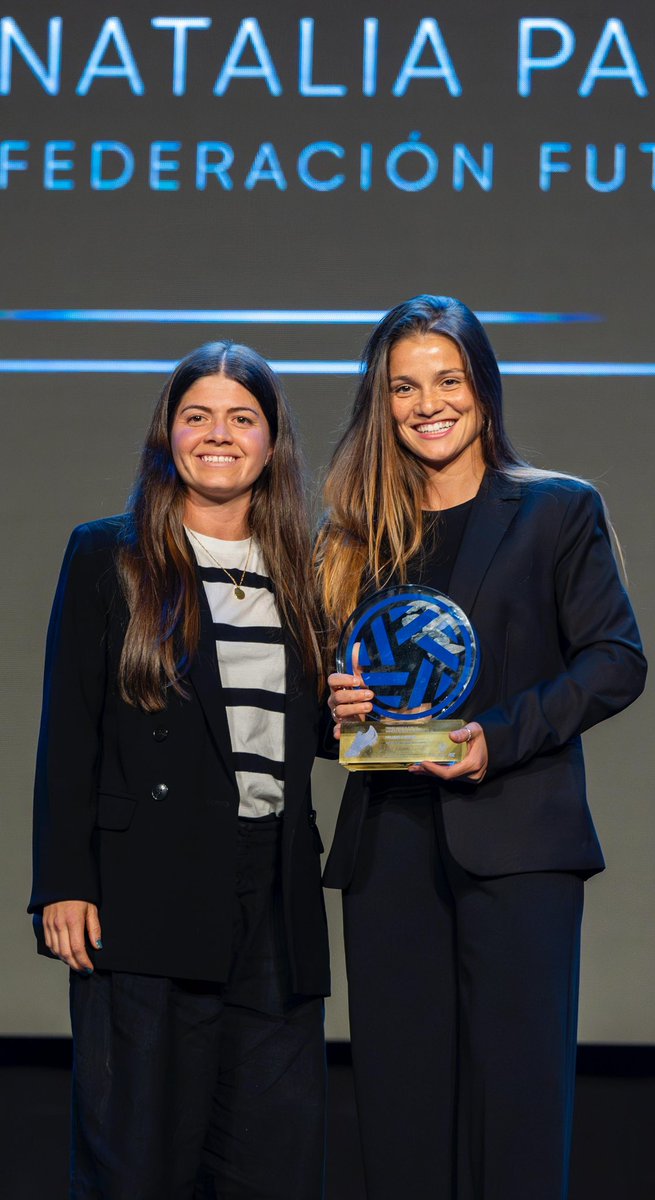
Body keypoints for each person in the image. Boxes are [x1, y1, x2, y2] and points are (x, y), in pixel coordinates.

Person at [315, 295, 647, 1200]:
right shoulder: (355, 536)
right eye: (403, 386)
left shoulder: (555, 510)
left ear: (483, 389)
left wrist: (491, 742)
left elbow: (615, 661)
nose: (427, 403)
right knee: (398, 1102)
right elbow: (332, 710)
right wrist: (333, 705)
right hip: (389, 847)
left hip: (518, 845)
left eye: (446, 380)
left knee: (517, 1101)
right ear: (379, 404)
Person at [29, 341, 330, 1200]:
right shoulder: (109, 556)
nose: (219, 435)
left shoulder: (306, 573)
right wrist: (63, 883)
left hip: (273, 894)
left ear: (272, 443)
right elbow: (70, 731)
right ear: (168, 435)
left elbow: (308, 732)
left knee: (271, 1160)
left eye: (243, 418)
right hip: (143, 889)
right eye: (197, 417)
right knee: (138, 1160)